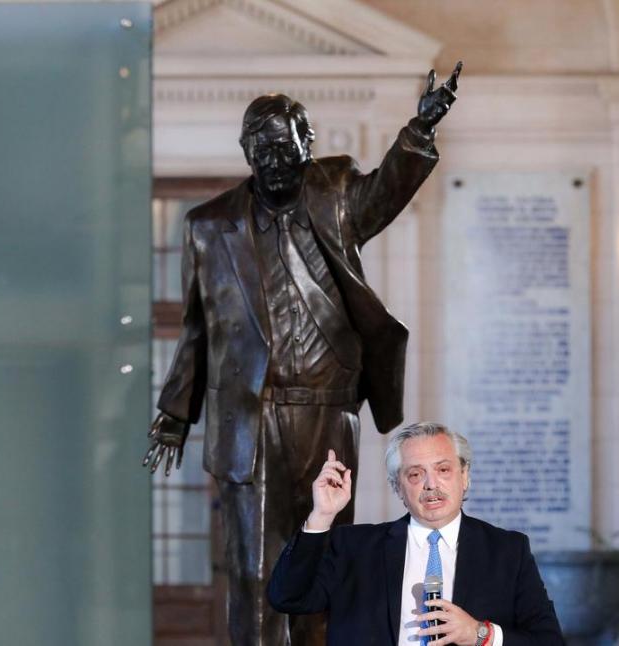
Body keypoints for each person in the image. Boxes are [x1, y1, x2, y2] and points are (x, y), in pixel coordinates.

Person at [142, 63, 463, 646]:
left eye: (284, 146)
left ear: (306, 145)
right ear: (245, 151)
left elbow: (386, 191)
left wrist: (419, 131)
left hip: (328, 413)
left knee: (325, 560)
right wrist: (174, 412)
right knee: (255, 567)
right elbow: (198, 329)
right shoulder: (209, 227)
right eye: (260, 148)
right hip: (250, 417)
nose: (273, 159)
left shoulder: (335, 195)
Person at [268, 422, 565, 646]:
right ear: (398, 487)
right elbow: (287, 597)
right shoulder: (353, 547)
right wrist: (321, 515)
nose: (430, 484)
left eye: (443, 470)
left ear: (465, 477)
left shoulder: (507, 551)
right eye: (415, 474)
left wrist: (480, 633)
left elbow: (549, 641)